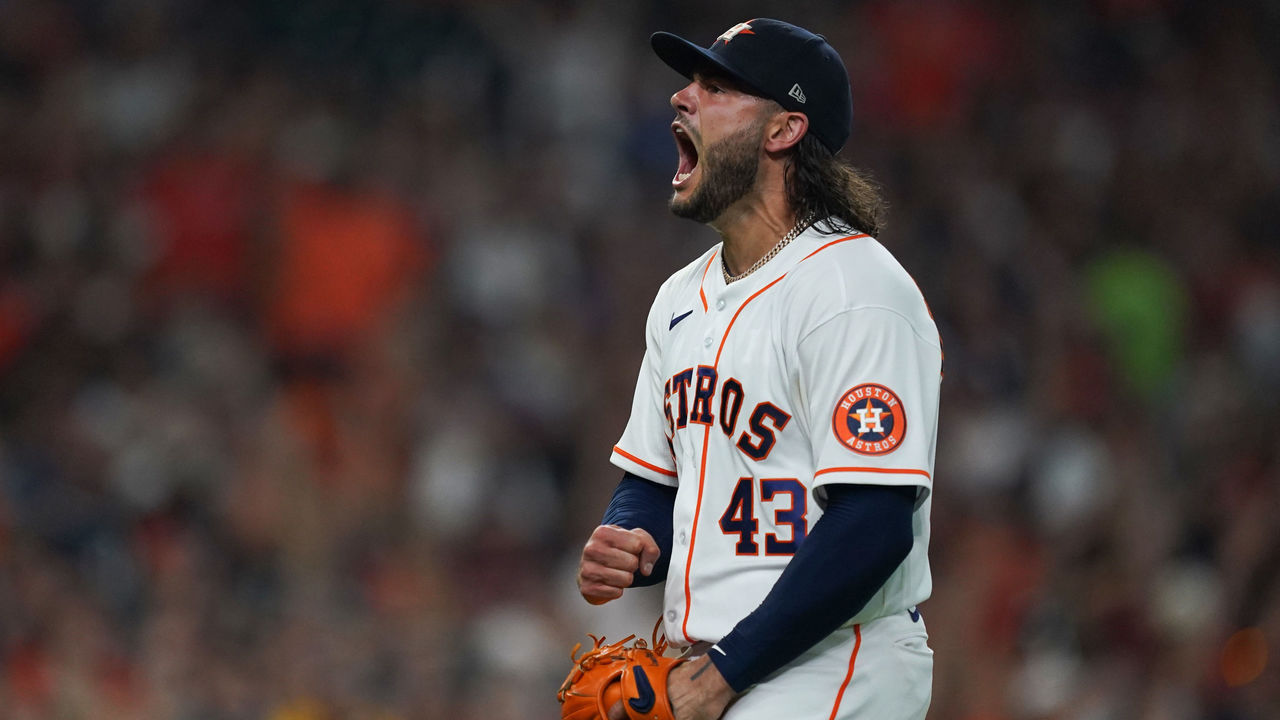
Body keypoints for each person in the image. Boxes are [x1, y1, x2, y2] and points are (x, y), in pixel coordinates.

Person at [576, 19, 941, 720]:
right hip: (724, 665)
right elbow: (654, 479)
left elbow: (875, 523)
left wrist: (722, 675)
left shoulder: (855, 289)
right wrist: (628, 533)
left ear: (783, 131)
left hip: (833, 661)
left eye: (716, 87)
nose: (683, 98)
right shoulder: (680, 298)